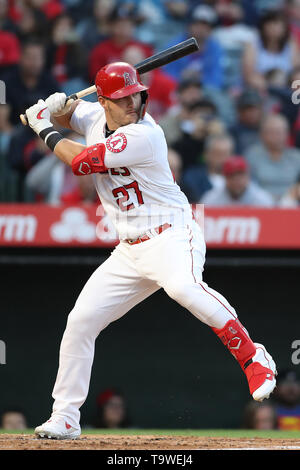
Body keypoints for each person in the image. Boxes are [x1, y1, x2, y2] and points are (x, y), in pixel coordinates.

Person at [24, 61, 277, 440]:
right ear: (105, 101)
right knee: (80, 322)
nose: (133, 103)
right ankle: (65, 415)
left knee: (183, 288)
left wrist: (42, 125)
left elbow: (79, 161)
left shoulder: (145, 134)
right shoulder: (95, 114)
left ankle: (253, 356)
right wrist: (58, 106)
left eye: (136, 95)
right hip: (129, 250)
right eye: (123, 98)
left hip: (171, 235)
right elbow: (75, 112)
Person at [163, 4, 224, 89]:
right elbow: (166, 75)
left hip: (204, 93)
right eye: (197, 24)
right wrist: (182, 77)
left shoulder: (215, 48)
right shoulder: (175, 45)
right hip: (178, 90)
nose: (201, 28)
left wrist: (200, 80)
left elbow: (217, 80)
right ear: (189, 25)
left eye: (205, 25)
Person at [245, 114, 300, 202]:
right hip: (260, 201)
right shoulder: (252, 155)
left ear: (287, 134)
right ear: (262, 135)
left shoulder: (296, 157)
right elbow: (248, 184)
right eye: (271, 132)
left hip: (291, 201)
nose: (275, 137)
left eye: (279, 132)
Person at [242, 10, 300, 93]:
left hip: (286, 87)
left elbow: (296, 70)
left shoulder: (291, 44)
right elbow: (248, 76)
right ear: (264, 26)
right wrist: (269, 86)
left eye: (278, 25)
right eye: (271, 24)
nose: (274, 28)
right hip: (261, 88)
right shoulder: (253, 43)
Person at [201, 156, 274, 207]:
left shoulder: (262, 200)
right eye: (231, 175)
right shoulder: (211, 199)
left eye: (240, 175)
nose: (236, 180)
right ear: (225, 178)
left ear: (248, 176)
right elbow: (197, 223)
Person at [182, 133, 233, 203]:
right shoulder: (193, 178)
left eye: (226, 154)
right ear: (206, 154)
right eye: (218, 154)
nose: (223, 159)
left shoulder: (238, 179)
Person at [230, 89, 263, 154]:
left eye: (254, 109)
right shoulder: (232, 132)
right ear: (240, 111)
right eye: (247, 109)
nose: (251, 113)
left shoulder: (266, 129)